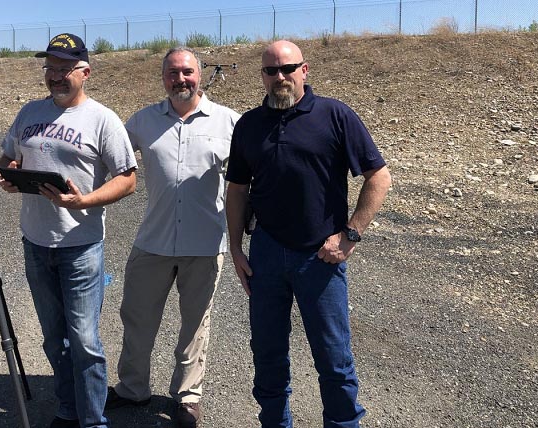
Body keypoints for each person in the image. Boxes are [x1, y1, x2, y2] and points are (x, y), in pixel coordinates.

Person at [225, 40, 391, 428]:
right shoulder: (249, 125)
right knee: (267, 354)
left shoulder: (335, 115)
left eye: (288, 68)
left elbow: (379, 176)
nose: (280, 76)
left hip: (320, 257)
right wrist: (235, 247)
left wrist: (350, 235)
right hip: (265, 252)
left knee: (334, 358)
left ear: (304, 69)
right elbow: (237, 189)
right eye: (271, 70)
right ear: (262, 76)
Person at [0, 33, 137, 428]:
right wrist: (8, 175)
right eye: (50, 68)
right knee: (53, 338)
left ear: (85, 72)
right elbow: (7, 159)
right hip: (35, 243)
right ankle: (68, 410)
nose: (55, 76)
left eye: (64, 69)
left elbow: (128, 180)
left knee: (85, 342)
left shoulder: (103, 120)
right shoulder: (29, 112)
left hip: (81, 247)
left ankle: (93, 420)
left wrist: (84, 201)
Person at [104, 47, 240, 428]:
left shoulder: (229, 122)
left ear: (200, 74)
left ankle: (187, 396)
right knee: (136, 318)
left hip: (205, 245)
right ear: (163, 77)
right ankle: (133, 387)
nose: (180, 79)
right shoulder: (142, 121)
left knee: (196, 325)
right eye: (172, 73)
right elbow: (107, 156)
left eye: (187, 72)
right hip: (154, 241)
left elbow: (252, 177)